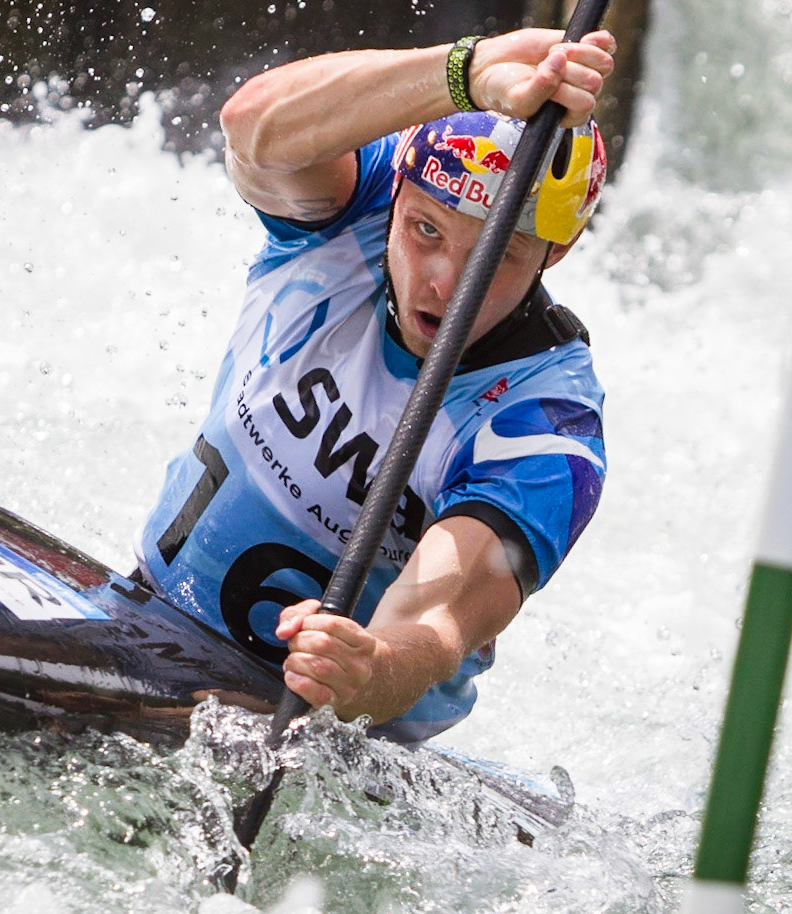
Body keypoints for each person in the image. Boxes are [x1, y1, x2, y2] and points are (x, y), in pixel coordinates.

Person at [133, 28, 616, 743]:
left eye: (495, 255)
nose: (446, 282)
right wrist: (466, 72)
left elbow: (436, 622)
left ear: (557, 250)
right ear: (397, 197)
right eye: (424, 230)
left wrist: (367, 670)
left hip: (338, 741)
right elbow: (252, 128)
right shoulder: (348, 216)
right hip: (145, 617)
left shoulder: (542, 424)